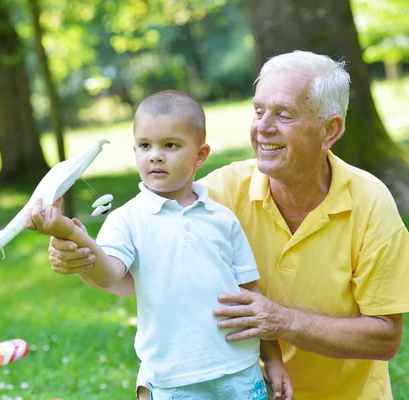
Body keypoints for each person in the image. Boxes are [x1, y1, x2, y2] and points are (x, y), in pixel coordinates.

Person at [46, 50, 409, 400]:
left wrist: (282, 321)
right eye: (258, 111)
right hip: (238, 385)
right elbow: (135, 273)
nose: (262, 128)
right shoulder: (214, 196)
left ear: (329, 130)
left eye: (283, 115)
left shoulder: (370, 204)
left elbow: (385, 339)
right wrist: (80, 255)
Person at [26, 90, 293, 400]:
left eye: (170, 145)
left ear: (201, 155)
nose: (155, 155)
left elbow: (251, 295)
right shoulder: (127, 220)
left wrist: (273, 360)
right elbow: (108, 274)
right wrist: (70, 233)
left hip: (240, 372)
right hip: (173, 381)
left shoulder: (223, 218)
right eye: (145, 145)